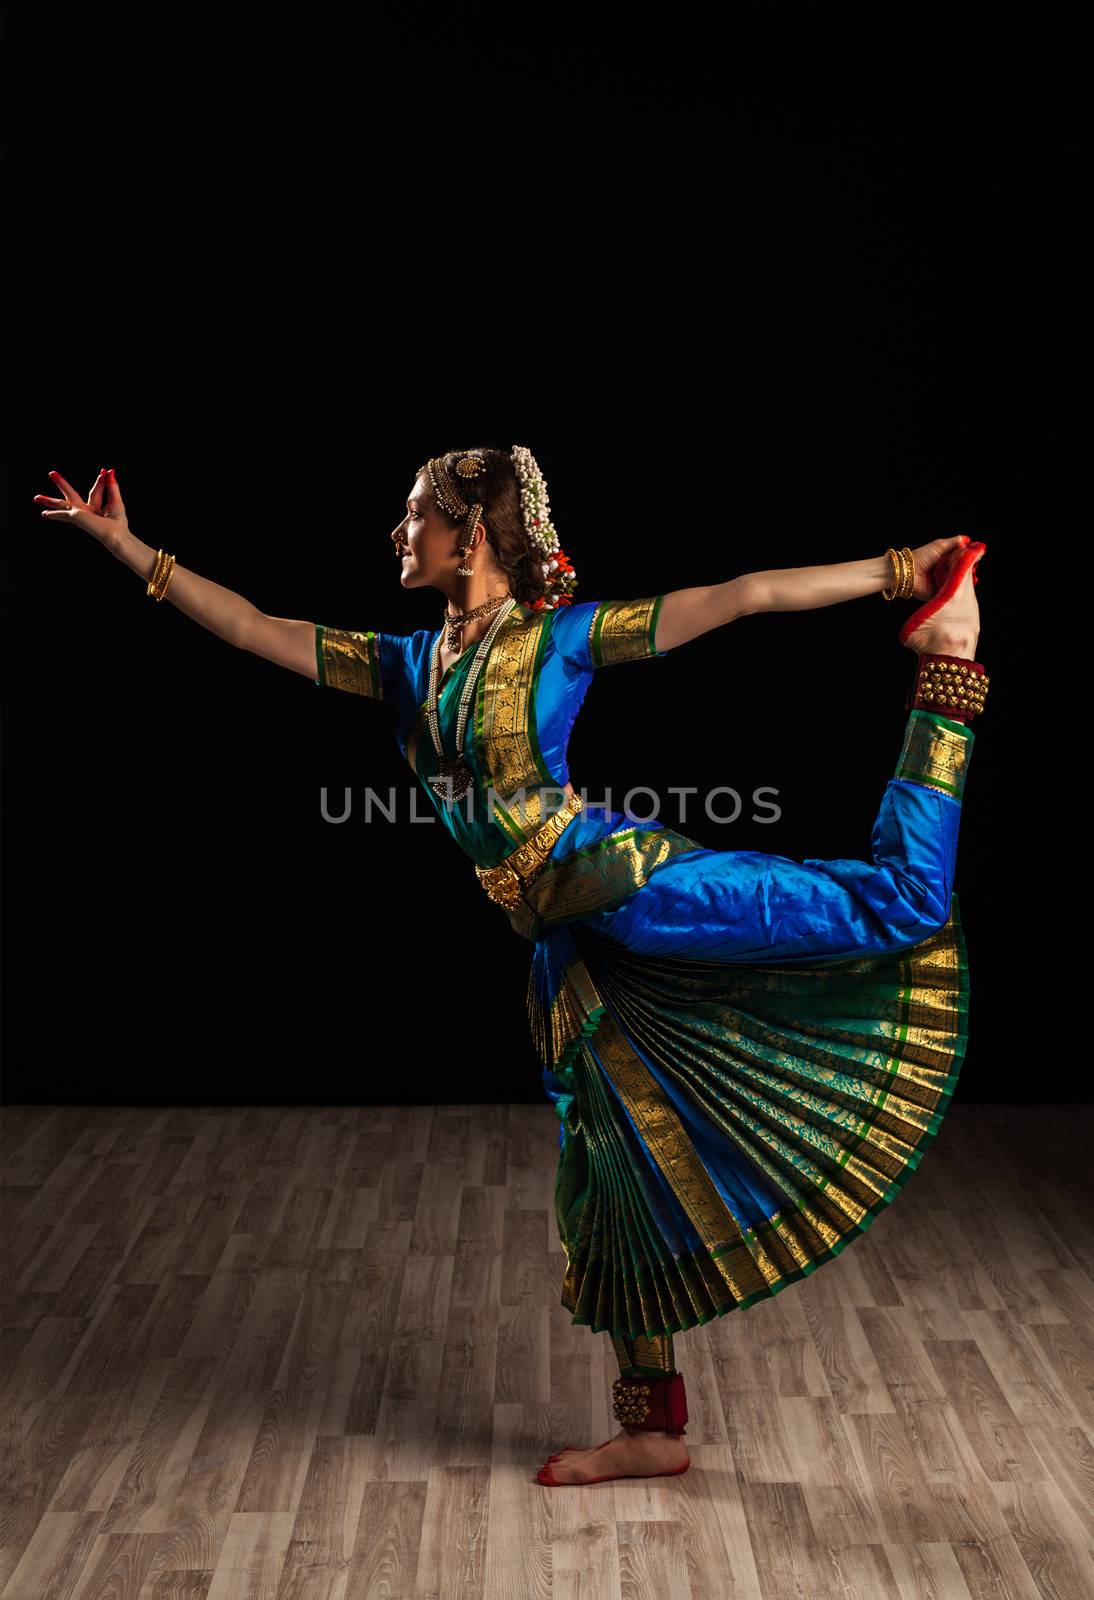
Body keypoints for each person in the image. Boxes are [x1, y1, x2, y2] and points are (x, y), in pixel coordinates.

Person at [34, 447, 987, 1488]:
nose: (398, 535)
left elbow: (743, 594)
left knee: (896, 905)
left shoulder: (560, 641)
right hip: (565, 943)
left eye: (412, 518)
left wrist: (898, 571)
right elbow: (258, 626)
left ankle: (951, 665)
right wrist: (128, 549)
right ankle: (652, 1428)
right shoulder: (408, 664)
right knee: (612, 1166)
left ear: (469, 534)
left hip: (626, 884)